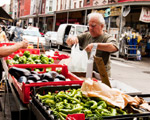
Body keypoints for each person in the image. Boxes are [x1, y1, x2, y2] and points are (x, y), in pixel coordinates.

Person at [66, 12, 118, 77]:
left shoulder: (106, 38)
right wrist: (72, 38)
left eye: (93, 26)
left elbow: (114, 47)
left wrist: (95, 46)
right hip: (86, 74)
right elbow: (71, 40)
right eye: (89, 26)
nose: (90, 28)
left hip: (102, 76)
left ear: (101, 26)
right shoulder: (87, 35)